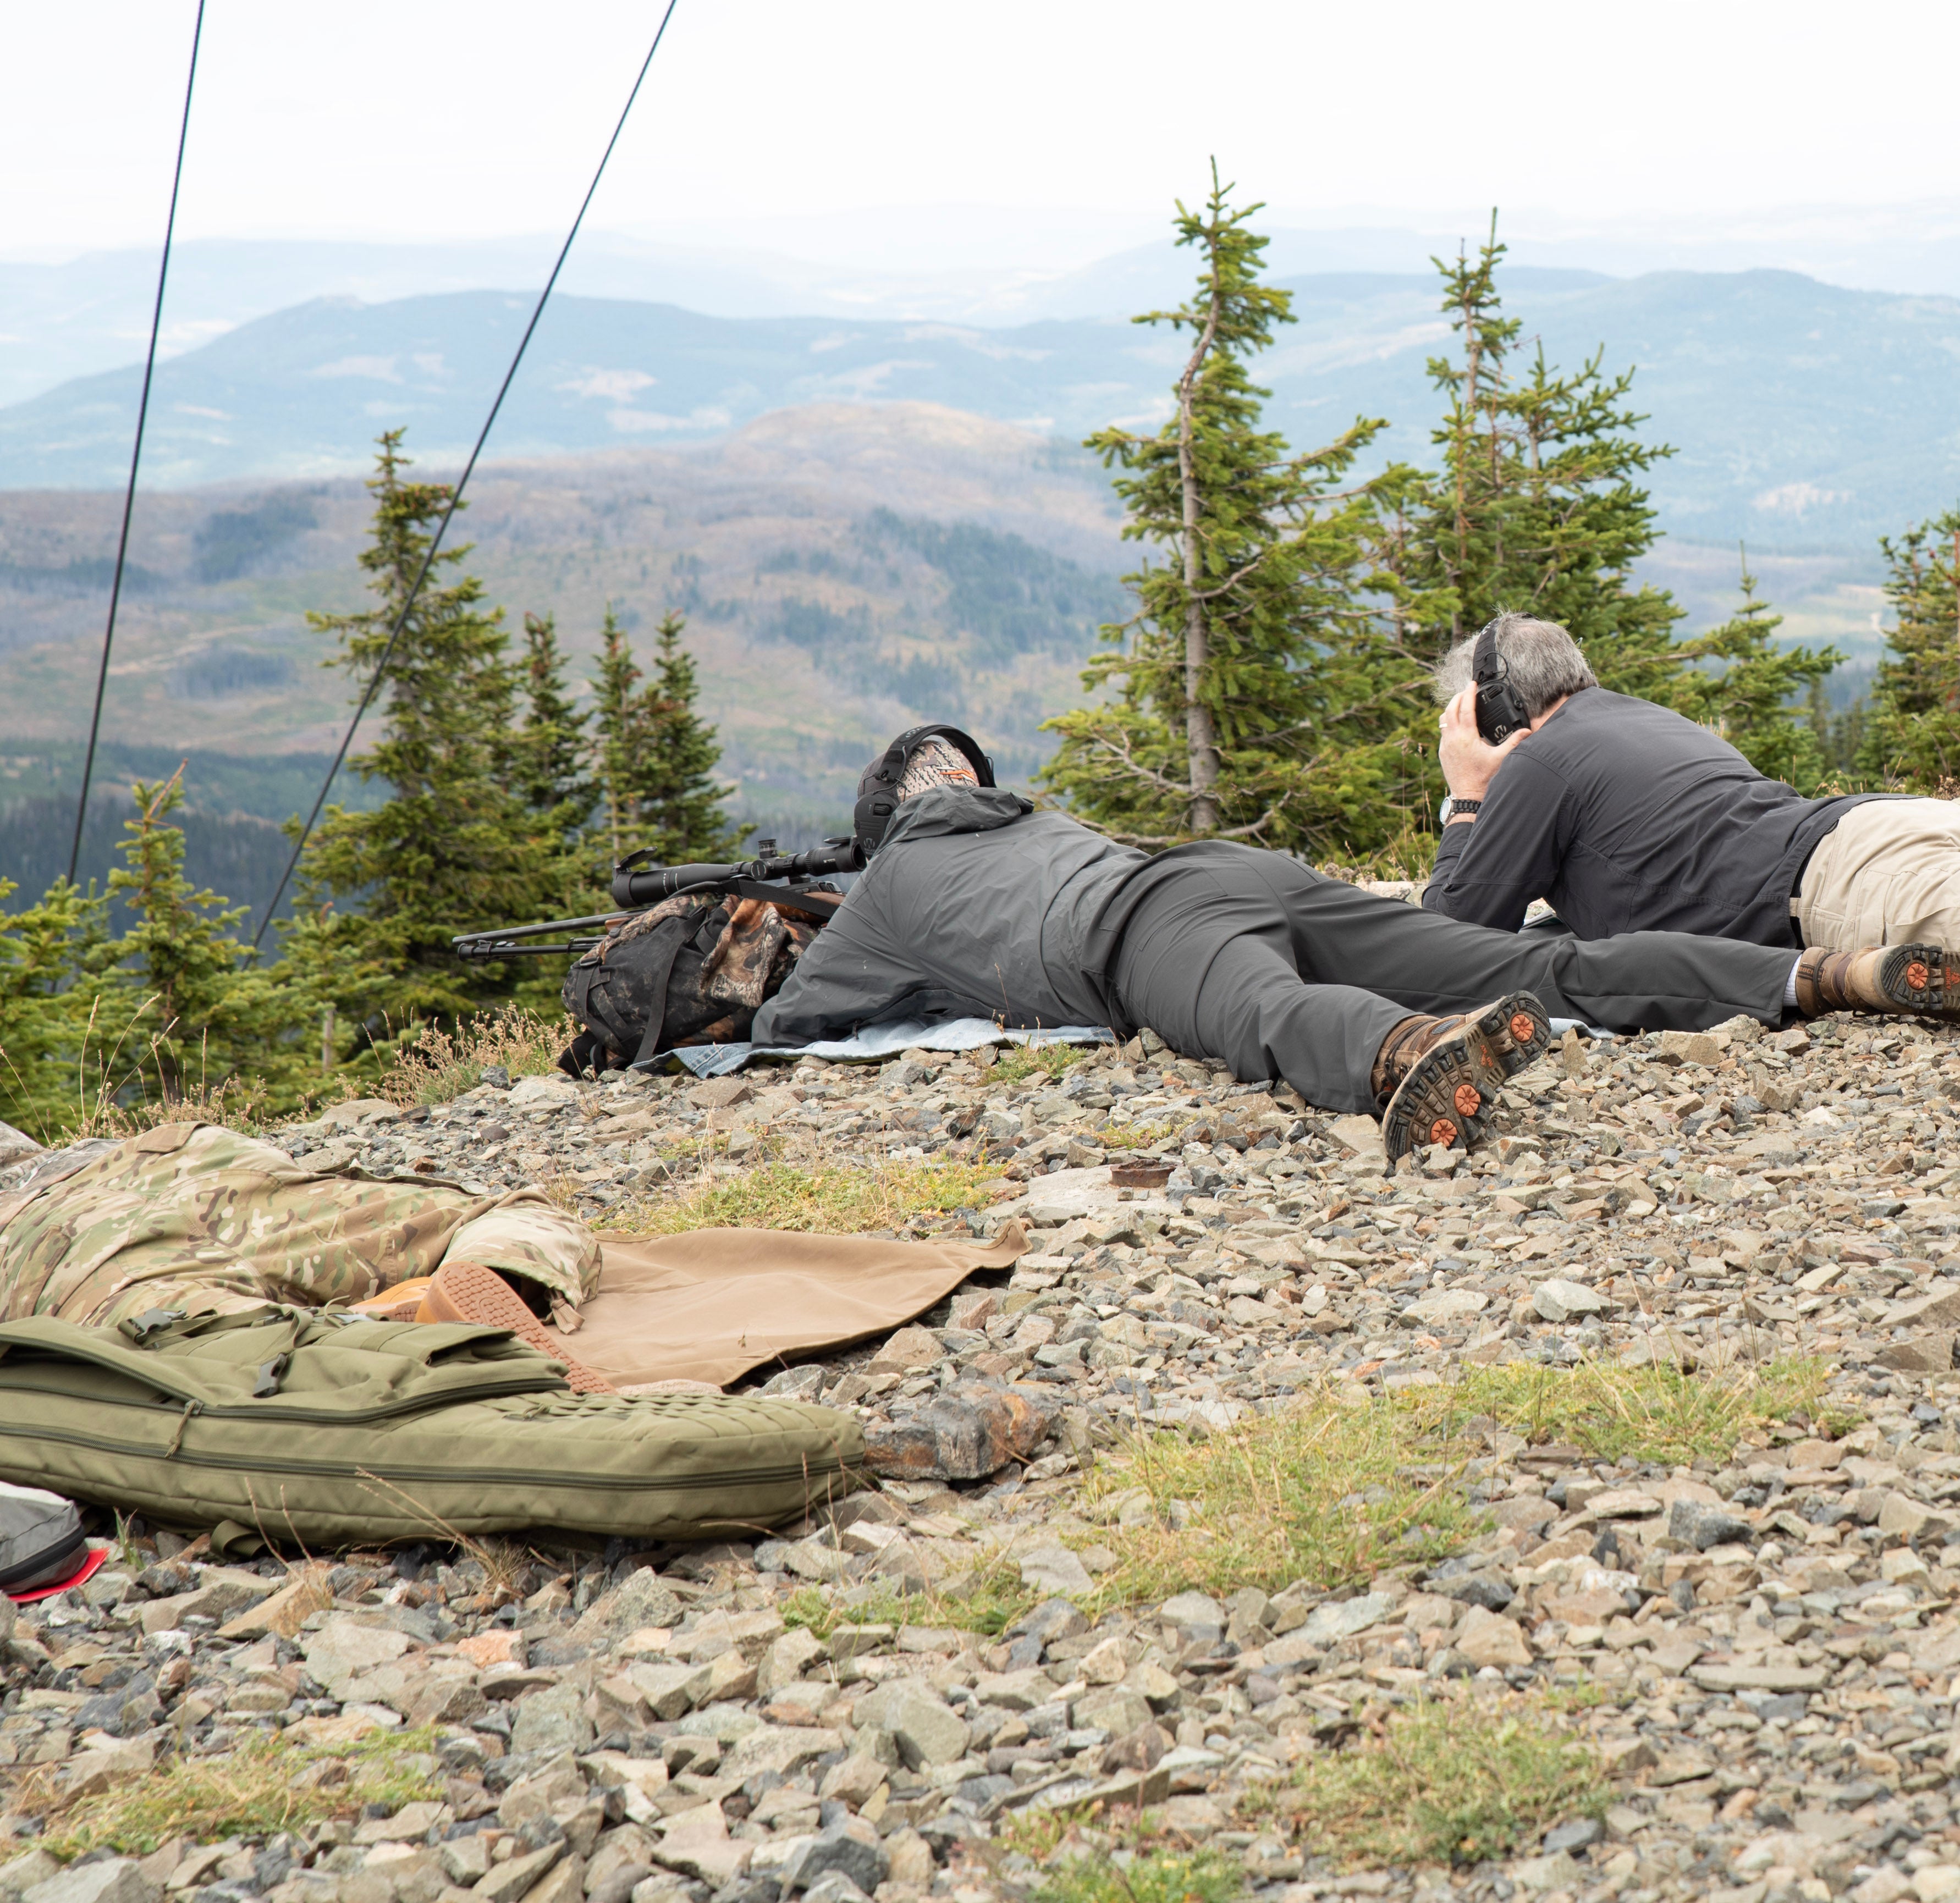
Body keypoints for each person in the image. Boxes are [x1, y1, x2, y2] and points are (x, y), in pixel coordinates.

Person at [752, 734, 1960, 1162]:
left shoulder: (894, 877)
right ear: (965, 781)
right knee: (1533, 961)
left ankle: (1408, 1051)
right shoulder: (1029, 812)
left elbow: (785, 1024)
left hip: (1144, 932)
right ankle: (1827, 974)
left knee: (1268, 1012)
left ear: (883, 829)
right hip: (1233, 869)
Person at [1422, 611, 1960, 961]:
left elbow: (1454, 944)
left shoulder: (1541, 759)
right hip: (1888, 824)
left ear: (1495, 712)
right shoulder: (1648, 719)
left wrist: (1469, 796)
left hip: (1847, 884)